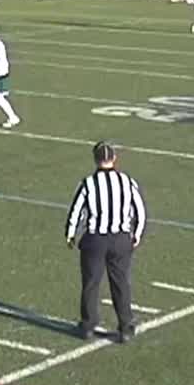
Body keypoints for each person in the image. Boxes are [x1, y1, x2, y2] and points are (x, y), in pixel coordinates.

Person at [65, 141, 147, 344]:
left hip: (95, 239)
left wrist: (70, 234)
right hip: (120, 239)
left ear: (95, 159)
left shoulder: (88, 184)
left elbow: (76, 210)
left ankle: (88, 326)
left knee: (91, 283)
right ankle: (126, 327)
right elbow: (140, 211)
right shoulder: (127, 181)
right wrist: (136, 234)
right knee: (121, 283)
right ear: (114, 158)